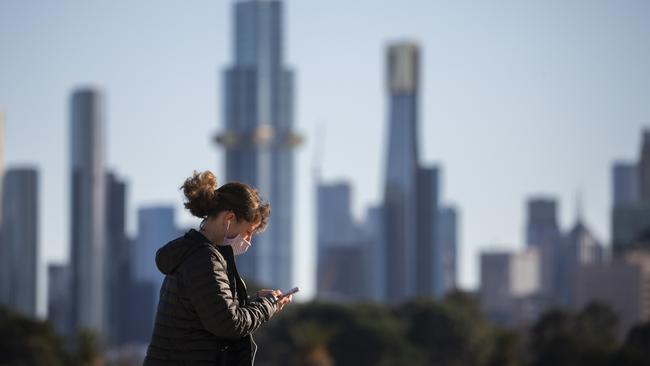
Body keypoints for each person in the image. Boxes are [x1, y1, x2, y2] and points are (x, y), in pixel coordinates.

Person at [143, 170, 292, 366]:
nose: (248, 241)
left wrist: (253, 301)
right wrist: (268, 305)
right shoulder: (204, 260)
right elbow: (229, 324)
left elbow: (210, 310)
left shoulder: (193, 253)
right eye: (248, 232)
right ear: (229, 219)